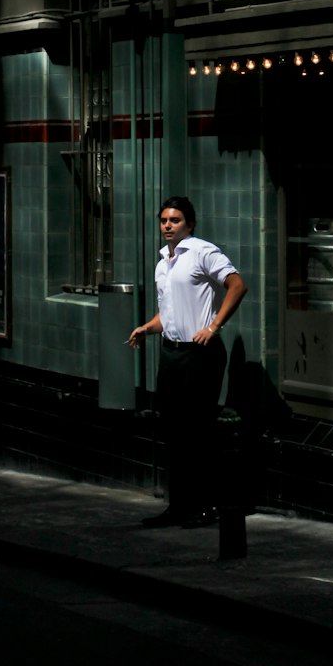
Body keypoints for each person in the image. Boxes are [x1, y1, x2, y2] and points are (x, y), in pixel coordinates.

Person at [129, 197, 247, 528]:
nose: (168, 225)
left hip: (200, 354)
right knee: (174, 431)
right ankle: (178, 506)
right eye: (164, 220)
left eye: (176, 220)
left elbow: (237, 285)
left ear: (190, 224)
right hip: (171, 352)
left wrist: (214, 326)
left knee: (198, 430)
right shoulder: (162, 263)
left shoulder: (202, 251)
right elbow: (168, 313)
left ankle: (207, 506)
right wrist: (147, 328)